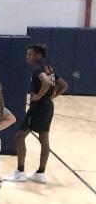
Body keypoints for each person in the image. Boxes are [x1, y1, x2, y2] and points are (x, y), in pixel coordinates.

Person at [5, 44, 69, 184]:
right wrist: (50, 97)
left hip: (38, 107)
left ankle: (20, 172)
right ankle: (40, 173)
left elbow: (46, 82)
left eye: (30, 54)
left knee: (20, 136)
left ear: (38, 55)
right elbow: (63, 85)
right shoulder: (49, 68)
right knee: (44, 140)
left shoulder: (37, 69)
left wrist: (39, 96)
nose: (27, 57)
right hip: (47, 107)